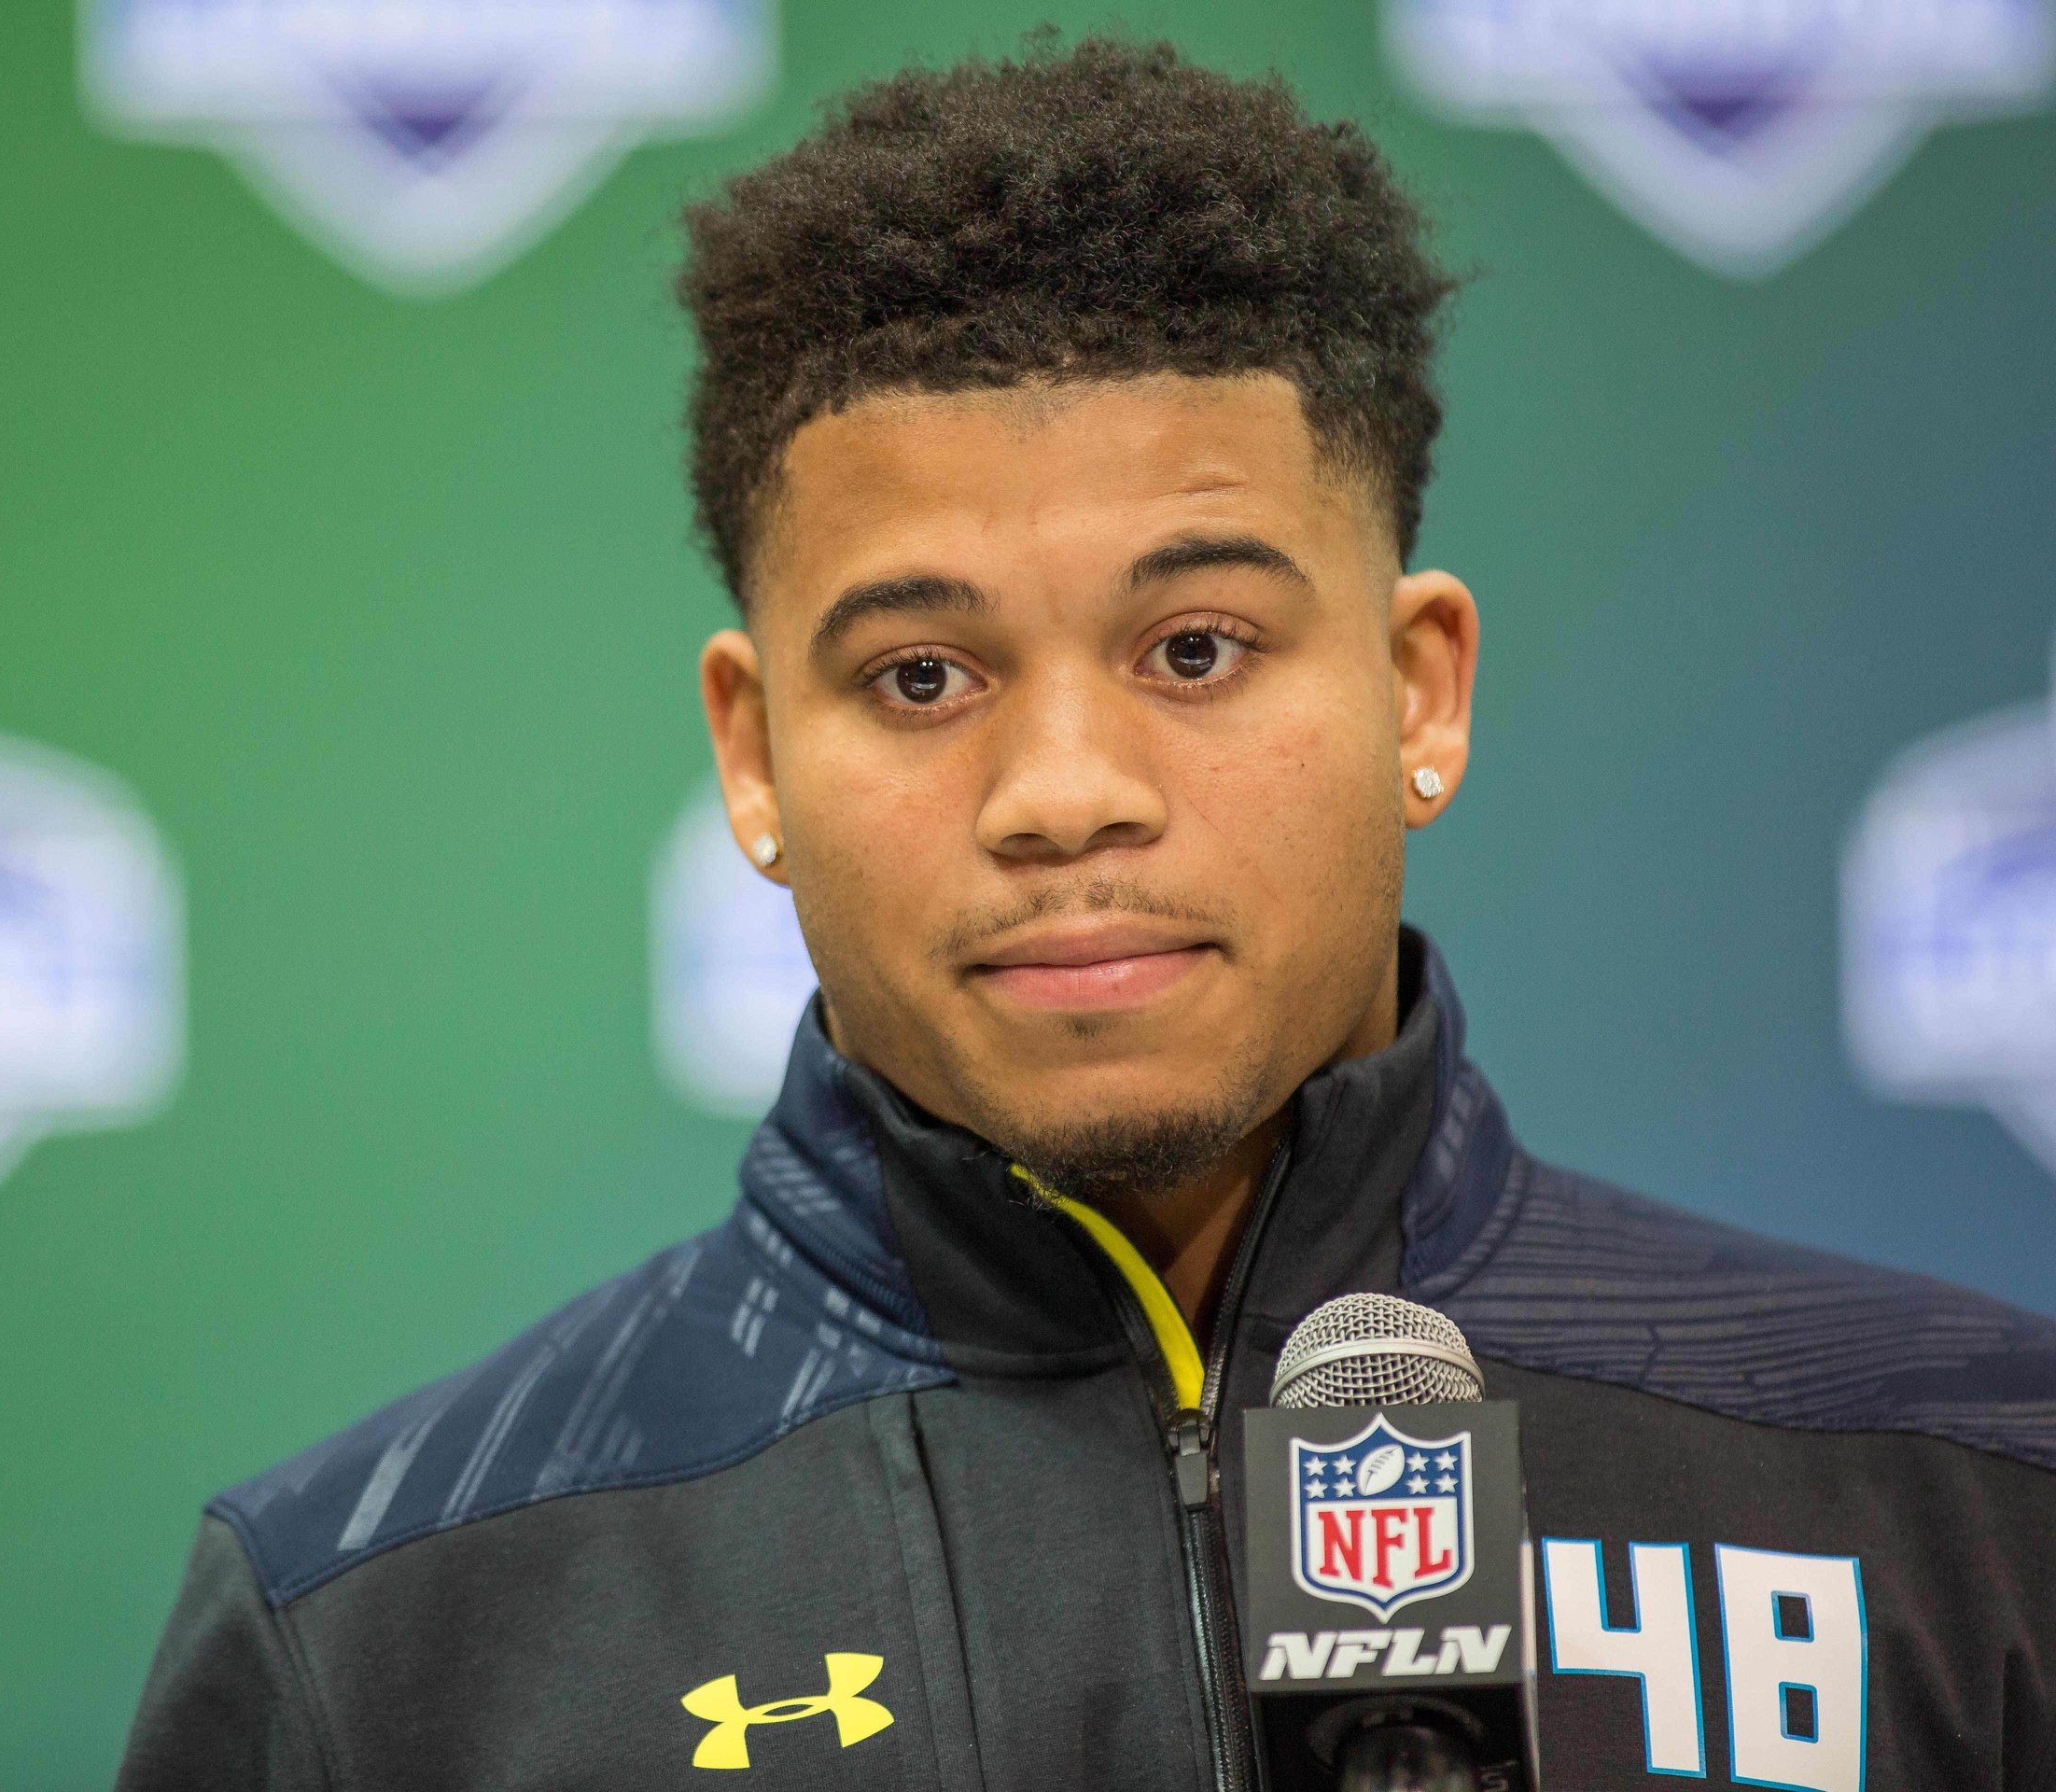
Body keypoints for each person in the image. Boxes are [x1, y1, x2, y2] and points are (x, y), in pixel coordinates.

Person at [117, 37, 2055, 1789]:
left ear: (1424, 690)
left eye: (1195, 646)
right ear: (753, 753)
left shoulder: (1966, 1503)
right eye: (922, 678)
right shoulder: (386, 1628)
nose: (1063, 793)